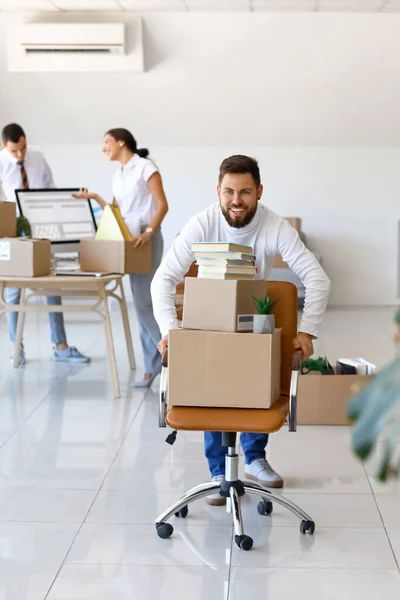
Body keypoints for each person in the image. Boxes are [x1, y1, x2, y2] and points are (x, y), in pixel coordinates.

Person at [151, 154, 331, 504]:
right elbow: (163, 280)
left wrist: (307, 330)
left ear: (259, 191)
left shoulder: (274, 225)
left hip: (251, 321)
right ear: (218, 190)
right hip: (209, 323)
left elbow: (317, 278)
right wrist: (170, 330)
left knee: (254, 383)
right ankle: (218, 470)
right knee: (213, 388)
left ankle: (254, 457)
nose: (236, 201)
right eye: (229, 191)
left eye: (245, 192)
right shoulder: (201, 223)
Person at [73, 128, 169, 388]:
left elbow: (162, 204)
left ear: (121, 142)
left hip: (145, 240)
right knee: (139, 304)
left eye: (106, 142)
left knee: (143, 302)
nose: (103, 148)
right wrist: (93, 197)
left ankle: (171, 356)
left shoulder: (145, 167)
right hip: (128, 240)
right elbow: (115, 212)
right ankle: (152, 367)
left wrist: (149, 232)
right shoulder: (119, 174)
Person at [0, 123, 90, 366]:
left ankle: (60, 345)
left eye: (23, 148)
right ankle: (16, 348)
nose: (20, 154)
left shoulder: (37, 157)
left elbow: (51, 187)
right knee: (13, 291)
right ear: (4, 146)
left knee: (51, 285)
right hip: (15, 233)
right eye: (14, 150)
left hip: (43, 229)